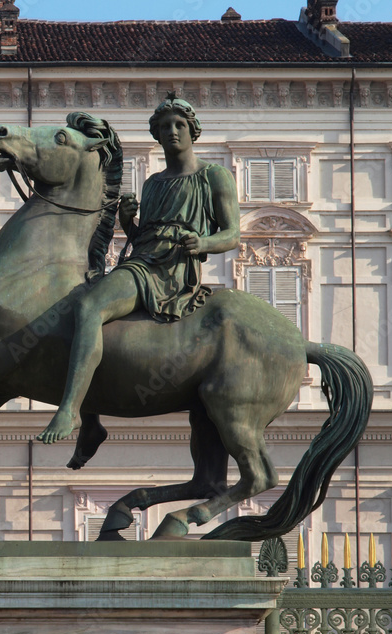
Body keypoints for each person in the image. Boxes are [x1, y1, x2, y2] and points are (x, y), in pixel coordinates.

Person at [38, 93, 241, 445]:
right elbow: (144, 237)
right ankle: (92, 420)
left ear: (193, 131)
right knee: (79, 300)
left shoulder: (214, 176)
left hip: (172, 271)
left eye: (180, 125)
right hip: (143, 261)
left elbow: (232, 234)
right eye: (164, 127)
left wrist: (204, 243)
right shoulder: (154, 182)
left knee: (89, 308)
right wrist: (128, 222)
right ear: (156, 135)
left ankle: (71, 409)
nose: (172, 132)